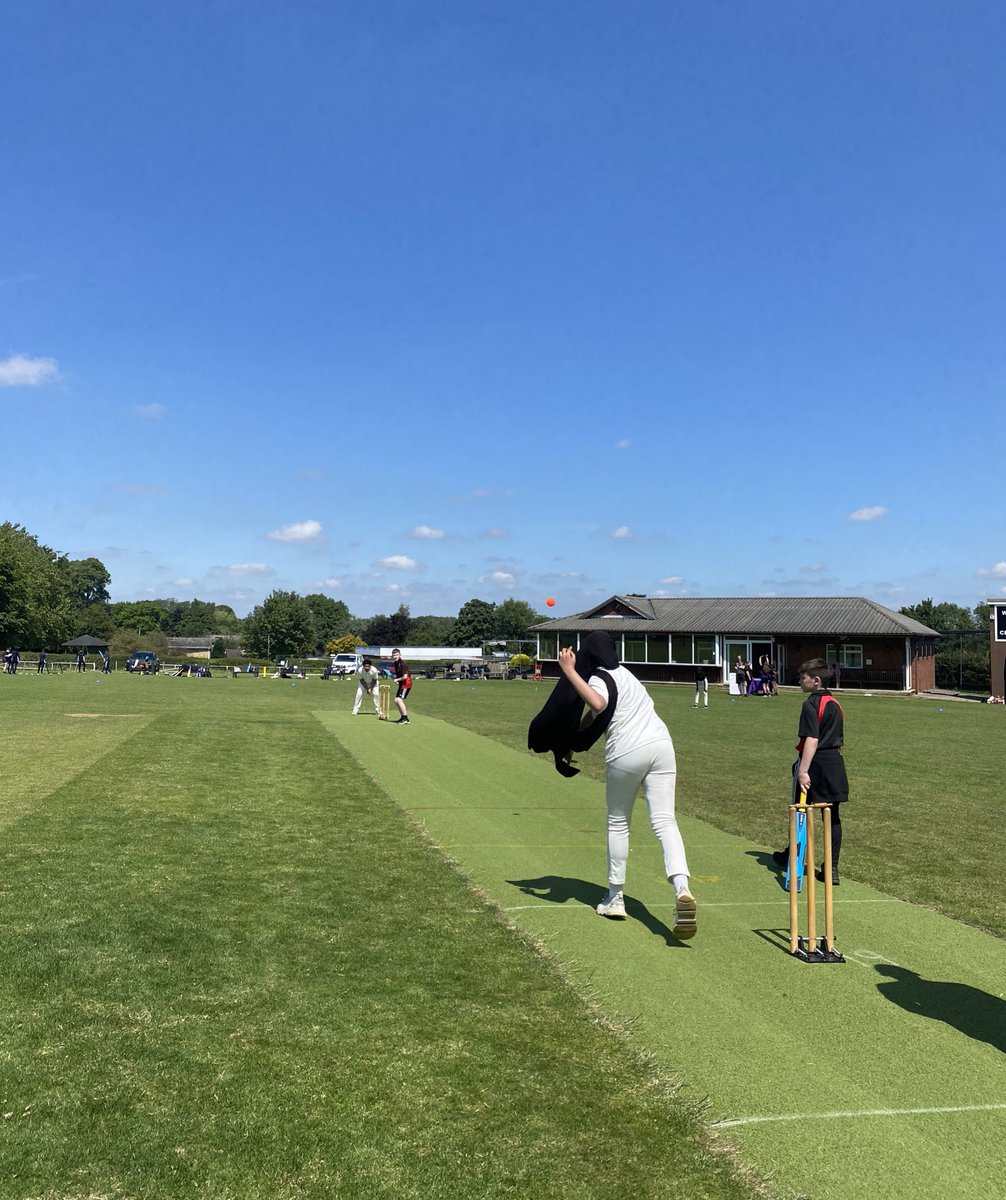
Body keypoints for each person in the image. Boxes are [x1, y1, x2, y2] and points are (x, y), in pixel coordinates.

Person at [529, 631, 697, 938]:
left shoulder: (598, 678)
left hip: (627, 751)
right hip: (662, 746)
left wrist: (568, 671)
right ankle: (681, 888)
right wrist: (572, 742)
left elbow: (597, 701)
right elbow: (595, 716)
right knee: (665, 821)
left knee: (618, 823)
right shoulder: (626, 675)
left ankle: (615, 898)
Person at [772, 657, 848, 884]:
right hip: (834, 763)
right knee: (832, 815)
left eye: (802, 678)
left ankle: (796, 860)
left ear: (816, 681)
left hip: (814, 763)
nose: (799, 681)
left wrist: (803, 771)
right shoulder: (835, 703)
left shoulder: (810, 705)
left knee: (801, 812)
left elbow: (812, 739)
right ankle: (831, 868)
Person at [390, 648, 411, 725]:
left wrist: (397, 679)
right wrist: (397, 679)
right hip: (402, 684)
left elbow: (405, 677)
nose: (395, 656)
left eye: (397, 655)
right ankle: (403, 717)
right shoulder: (396, 663)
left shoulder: (402, 664)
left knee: (399, 700)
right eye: (394, 655)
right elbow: (400, 675)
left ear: (399, 655)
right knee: (396, 700)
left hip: (406, 684)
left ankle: (405, 718)